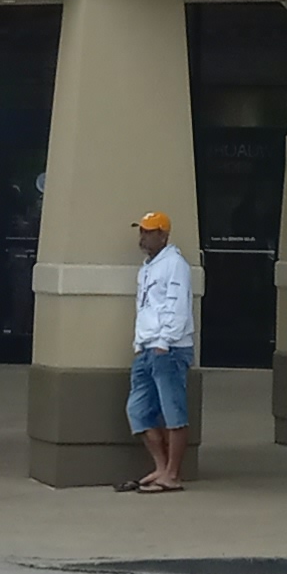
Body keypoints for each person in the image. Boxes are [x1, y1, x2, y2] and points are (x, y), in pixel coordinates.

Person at [121, 210, 196, 493]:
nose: (143, 237)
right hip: (146, 348)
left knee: (173, 411)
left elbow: (177, 306)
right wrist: (141, 345)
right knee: (139, 411)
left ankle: (173, 474)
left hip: (170, 349)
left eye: (150, 232)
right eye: (141, 231)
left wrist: (164, 342)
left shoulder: (175, 264)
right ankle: (161, 467)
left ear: (164, 235)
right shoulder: (148, 267)